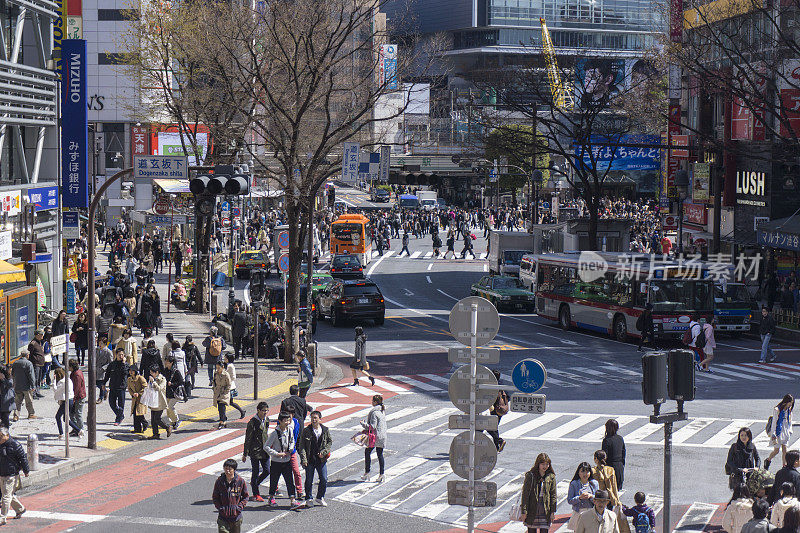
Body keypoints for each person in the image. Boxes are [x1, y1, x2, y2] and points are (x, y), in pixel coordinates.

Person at [265, 412, 299, 508]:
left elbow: (292, 441)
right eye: (285, 420)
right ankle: (271, 497)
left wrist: (291, 449)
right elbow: (266, 446)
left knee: (289, 481)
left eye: (288, 420)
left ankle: (293, 499)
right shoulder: (275, 433)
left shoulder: (290, 430)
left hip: (287, 460)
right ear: (279, 421)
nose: (287, 422)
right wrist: (277, 454)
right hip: (276, 461)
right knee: (274, 480)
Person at [520, 452, 557, 533]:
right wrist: (524, 511)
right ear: (538, 464)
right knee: (531, 530)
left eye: (547, 464)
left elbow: (553, 495)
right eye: (543, 464)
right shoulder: (530, 475)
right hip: (532, 508)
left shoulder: (551, 477)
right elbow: (525, 494)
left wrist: (552, 512)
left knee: (544, 530)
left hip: (545, 509)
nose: (545, 466)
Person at [242, 401, 270, 502]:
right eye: (263, 411)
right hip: (255, 451)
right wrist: (245, 453)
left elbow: (266, 433)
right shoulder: (252, 422)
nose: (265, 412)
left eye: (266, 410)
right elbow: (248, 438)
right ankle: (256, 494)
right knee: (255, 471)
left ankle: (255, 483)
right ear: (258, 410)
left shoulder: (267, 420)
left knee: (267, 470)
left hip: (265, 450)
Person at [0, 427, 29, 525]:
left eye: (1, 436)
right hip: (2, 473)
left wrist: (26, 471)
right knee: (8, 495)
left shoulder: (15, 445)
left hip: (11, 475)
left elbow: (23, 459)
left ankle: (2, 517)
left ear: (7, 436)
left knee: (6, 497)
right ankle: (20, 509)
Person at [212, 458, 248, 533]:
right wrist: (220, 508)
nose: (227, 471)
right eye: (225, 469)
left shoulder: (240, 481)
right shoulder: (219, 481)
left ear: (234, 470)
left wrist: (239, 508)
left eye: (230, 469)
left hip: (236, 518)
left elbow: (245, 497)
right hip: (223, 517)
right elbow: (215, 497)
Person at [361, 394, 387, 483]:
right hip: (382, 436)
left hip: (375, 437)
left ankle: (367, 472)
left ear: (375, 402)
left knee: (367, 452)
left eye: (372, 401)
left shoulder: (374, 413)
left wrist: (363, 424)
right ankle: (381, 474)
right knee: (380, 454)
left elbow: (372, 426)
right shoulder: (382, 411)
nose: (371, 402)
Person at [567, 461, 600, 530]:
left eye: (587, 471)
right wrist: (579, 498)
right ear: (578, 472)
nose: (585, 474)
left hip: (591, 512)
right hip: (579, 512)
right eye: (582, 471)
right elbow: (570, 500)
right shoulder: (574, 484)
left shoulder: (594, 483)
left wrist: (591, 496)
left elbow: (598, 499)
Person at [766, 395, 795, 471]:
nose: (791, 405)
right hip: (778, 432)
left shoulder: (789, 410)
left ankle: (784, 466)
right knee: (776, 451)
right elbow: (774, 422)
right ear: (786, 402)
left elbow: (790, 421)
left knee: (785, 450)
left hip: (785, 432)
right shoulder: (777, 410)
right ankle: (768, 460)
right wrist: (774, 434)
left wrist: (790, 431)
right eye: (790, 403)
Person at [146, 365, 172, 440]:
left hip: (160, 401)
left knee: (157, 418)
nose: (151, 374)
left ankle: (167, 427)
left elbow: (159, 388)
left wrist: (153, 382)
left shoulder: (162, 379)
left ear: (156, 372)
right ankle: (155, 434)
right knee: (153, 420)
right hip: (153, 400)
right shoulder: (152, 379)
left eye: (152, 373)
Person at [104, 348, 128, 425]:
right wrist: (104, 383)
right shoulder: (112, 364)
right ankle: (120, 415)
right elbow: (107, 375)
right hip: (113, 386)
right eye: (119, 355)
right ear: (116, 355)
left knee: (121, 404)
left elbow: (125, 373)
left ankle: (118, 419)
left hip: (121, 387)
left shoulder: (126, 365)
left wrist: (123, 363)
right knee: (112, 403)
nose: (121, 356)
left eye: (122, 355)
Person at [486, 369, 508, 452]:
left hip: (494, 410)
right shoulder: (501, 385)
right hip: (500, 410)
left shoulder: (492, 386)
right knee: (494, 428)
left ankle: (499, 441)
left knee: (489, 427)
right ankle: (497, 446)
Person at [11, 351, 36, 421]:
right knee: (29, 401)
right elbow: (31, 376)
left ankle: (16, 416)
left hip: (17, 385)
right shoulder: (28, 363)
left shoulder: (15, 363)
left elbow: (12, 374)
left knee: (17, 402)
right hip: (26, 386)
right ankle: (31, 414)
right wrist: (33, 385)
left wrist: (14, 382)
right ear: (27, 355)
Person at [601, 419, 626, 490]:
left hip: (610, 467)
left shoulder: (606, 440)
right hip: (619, 466)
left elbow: (604, 456)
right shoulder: (620, 438)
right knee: (617, 489)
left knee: (609, 490)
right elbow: (623, 453)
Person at [163, 355, 184, 430]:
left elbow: (181, 381)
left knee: (170, 407)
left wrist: (172, 384)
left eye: (167, 362)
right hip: (167, 392)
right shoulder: (165, 370)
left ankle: (176, 420)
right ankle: (172, 421)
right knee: (167, 407)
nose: (166, 363)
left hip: (175, 393)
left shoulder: (176, 371)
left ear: (171, 363)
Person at [127, 366, 149, 433]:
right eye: (130, 370)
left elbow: (145, 387)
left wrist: (139, 393)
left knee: (139, 412)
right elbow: (129, 388)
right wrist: (132, 394)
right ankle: (137, 429)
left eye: (132, 370)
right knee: (134, 413)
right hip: (135, 398)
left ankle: (145, 423)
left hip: (141, 398)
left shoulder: (140, 378)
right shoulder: (129, 379)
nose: (131, 372)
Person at [225, 354, 246, 419]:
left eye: (225, 358)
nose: (224, 359)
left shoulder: (230, 366)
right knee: (227, 402)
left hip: (229, 387)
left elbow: (233, 377)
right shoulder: (228, 365)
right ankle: (223, 416)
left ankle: (242, 411)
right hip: (229, 386)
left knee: (226, 402)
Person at [68, 359, 86, 436]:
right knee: (72, 414)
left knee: (78, 414)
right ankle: (76, 428)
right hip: (75, 396)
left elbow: (77, 388)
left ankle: (81, 429)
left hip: (79, 397)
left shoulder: (77, 374)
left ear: (72, 366)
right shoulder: (73, 373)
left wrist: (73, 399)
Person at [213, 360, 232, 429]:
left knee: (222, 407)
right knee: (220, 408)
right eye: (217, 368)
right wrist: (214, 388)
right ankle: (224, 419)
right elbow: (214, 382)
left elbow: (229, 384)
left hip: (224, 393)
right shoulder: (215, 373)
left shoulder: (226, 374)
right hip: (217, 392)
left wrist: (226, 391)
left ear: (222, 367)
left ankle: (222, 421)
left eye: (219, 368)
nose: (218, 369)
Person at [95, 336, 113, 405]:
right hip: (96, 370)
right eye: (99, 343)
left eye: (101, 343)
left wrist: (104, 368)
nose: (100, 345)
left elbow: (110, 362)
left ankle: (101, 397)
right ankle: (105, 391)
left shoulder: (108, 352)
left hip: (103, 371)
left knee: (101, 384)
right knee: (97, 384)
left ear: (105, 344)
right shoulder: (97, 350)